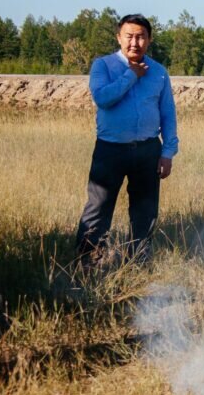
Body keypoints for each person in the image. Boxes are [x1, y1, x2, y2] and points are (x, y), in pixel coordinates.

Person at [75, 14, 178, 266]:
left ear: (149, 40)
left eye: (141, 36)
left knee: (145, 210)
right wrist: (131, 75)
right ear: (119, 37)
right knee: (99, 206)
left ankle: (138, 261)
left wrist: (167, 152)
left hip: (148, 150)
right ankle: (88, 260)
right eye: (129, 36)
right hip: (110, 150)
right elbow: (103, 98)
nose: (135, 42)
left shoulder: (159, 72)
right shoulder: (103, 66)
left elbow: (168, 114)